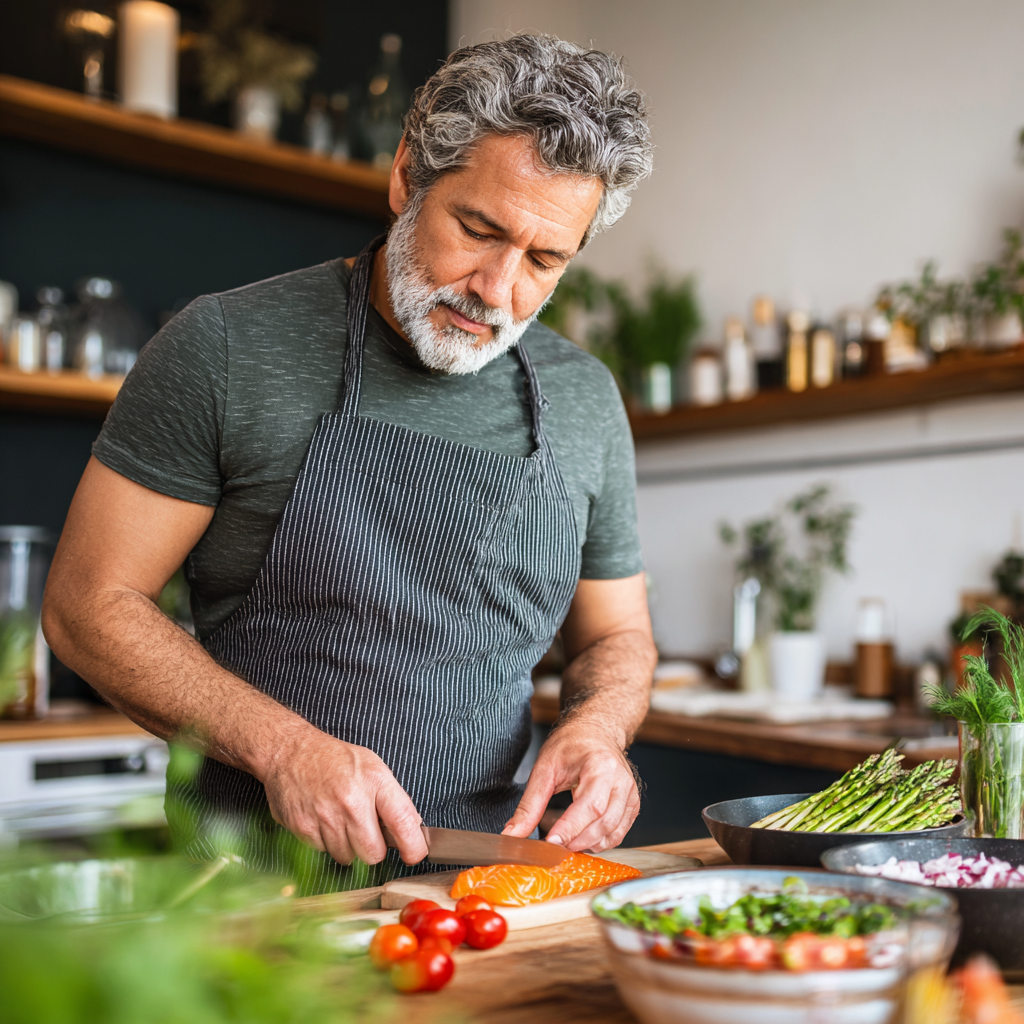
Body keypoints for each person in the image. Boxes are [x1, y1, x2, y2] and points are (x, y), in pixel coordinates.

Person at [42, 34, 657, 892]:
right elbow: (86, 605)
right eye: (478, 229)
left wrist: (599, 731)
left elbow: (618, 637)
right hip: (251, 899)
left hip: (488, 901)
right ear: (408, 176)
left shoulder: (586, 399)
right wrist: (283, 748)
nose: (497, 288)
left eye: (545, 260)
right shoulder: (223, 347)